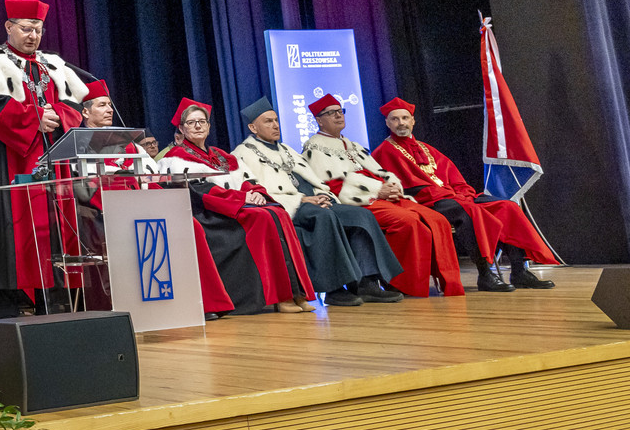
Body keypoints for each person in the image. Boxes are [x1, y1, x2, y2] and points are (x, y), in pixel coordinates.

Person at [0, 0, 87, 318]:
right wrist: (33, 119)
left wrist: (57, 116)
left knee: (51, 230)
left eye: (38, 30)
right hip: (8, 159)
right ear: (9, 27)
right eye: (27, 29)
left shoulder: (52, 64)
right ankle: (9, 305)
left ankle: (52, 302)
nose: (33, 36)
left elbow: (73, 104)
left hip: (51, 158)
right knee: (10, 229)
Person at [78, 83, 235, 319]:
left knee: (190, 226)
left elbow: (149, 178)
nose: (109, 110)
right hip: (109, 211)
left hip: (143, 203)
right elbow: (86, 187)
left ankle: (204, 303)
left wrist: (164, 202)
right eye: (102, 105)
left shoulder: (127, 143)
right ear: (85, 112)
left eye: (110, 105)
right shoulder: (79, 144)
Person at [231, 98, 404, 307]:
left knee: (361, 215)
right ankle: (334, 288)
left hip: (314, 200)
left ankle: (365, 283)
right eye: (268, 122)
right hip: (288, 206)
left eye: (276, 120)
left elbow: (314, 180)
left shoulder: (286, 149)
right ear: (253, 127)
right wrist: (301, 199)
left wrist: (323, 195)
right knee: (324, 216)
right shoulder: (242, 154)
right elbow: (254, 192)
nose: (275, 125)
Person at [371, 97, 558, 290]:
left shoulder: (426, 148)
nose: (401, 123)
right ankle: (485, 274)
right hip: (424, 202)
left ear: (413, 121)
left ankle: (519, 272)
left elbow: (454, 177)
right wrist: (447, 195)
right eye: (395, 119)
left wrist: (463, 193)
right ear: (387, 123)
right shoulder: (383, 152)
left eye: (405, 118)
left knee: (507, 206)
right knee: (468, 211)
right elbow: (394, 188)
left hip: (451, 198)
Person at [159, 99, 316, 314]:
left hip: (234, 207)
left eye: (202, 121)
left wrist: (256, 193)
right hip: (208, 215)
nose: (197, 126)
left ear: (209, 126)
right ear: (182, 128)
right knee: (263, 217)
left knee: (278, 212)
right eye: (191, 122)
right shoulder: (175, 159)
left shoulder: (223, 156)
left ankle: (296, 292)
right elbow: (200, 192)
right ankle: (281, 297)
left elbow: (248, 181)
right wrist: (242, 199)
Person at [301, 95, 463, 298]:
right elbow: (333, 186)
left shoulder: (352, 145)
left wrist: (392, 187)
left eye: (340, 111)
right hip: (358, 202)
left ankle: (447, 282)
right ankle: (399, 282)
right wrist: (377, 190)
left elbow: (379, 172)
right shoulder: (314, 147)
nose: (338, 116)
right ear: (319, 120)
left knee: (437, 219)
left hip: (381, 197)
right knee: (408, 221)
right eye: (331, 113)